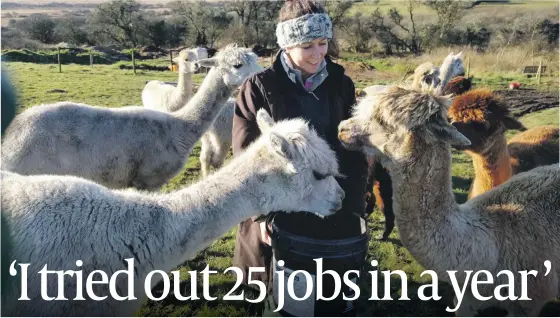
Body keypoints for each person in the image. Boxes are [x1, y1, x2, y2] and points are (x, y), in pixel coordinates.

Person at [231, 0, 368, 315]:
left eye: (323, 43)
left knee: (331, 299)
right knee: (281, 301)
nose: (319, 53)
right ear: (287, 44)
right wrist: (264, 217)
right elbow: (247, 157)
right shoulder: (259, 88)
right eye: (308, 45)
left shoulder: (341, 85)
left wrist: (355, 210)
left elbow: (353, 155)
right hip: (279, 215)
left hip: (332, 211)